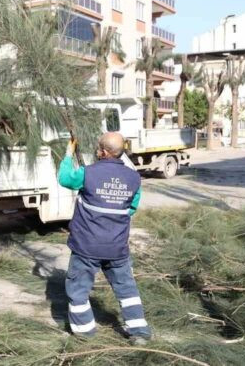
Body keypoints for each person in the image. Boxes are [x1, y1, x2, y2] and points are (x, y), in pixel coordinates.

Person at [57, 133, 150, 345]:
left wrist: (69, 154)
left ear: (103, 152)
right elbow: (131, 208)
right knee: (127, 289)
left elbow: (64, 178)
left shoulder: (87, 173)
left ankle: (85, 334)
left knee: (78, 291)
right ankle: (139, 333)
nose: (97, 151)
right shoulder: (134, 178)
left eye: (99, 148)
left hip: (86, 248)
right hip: (117, 248)